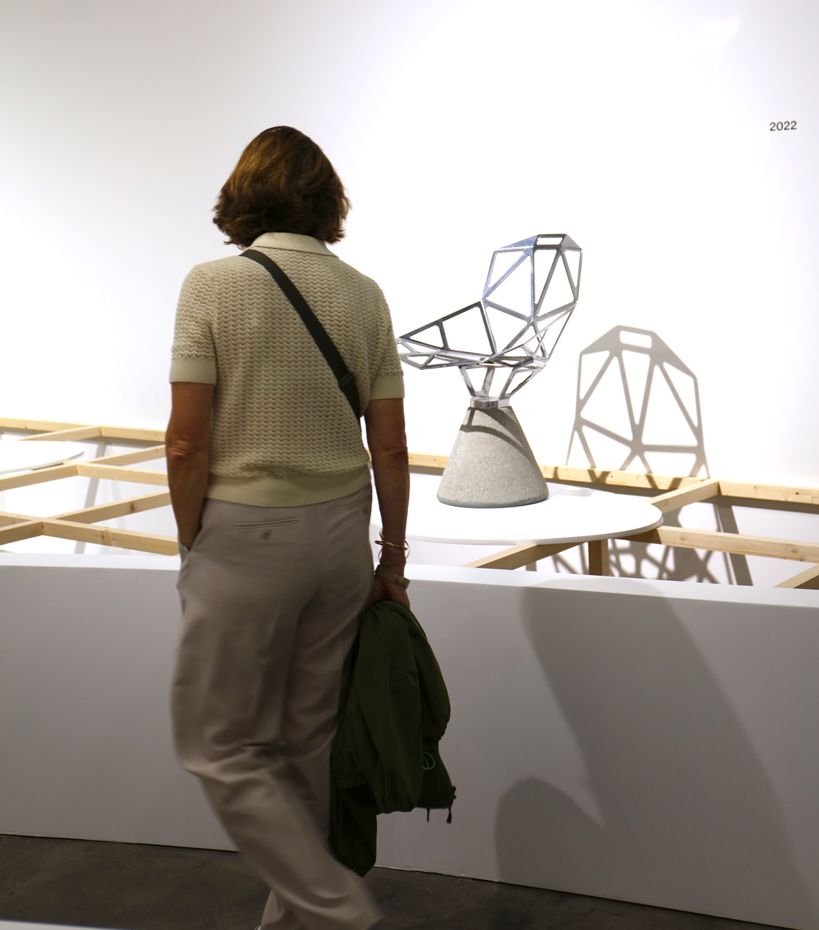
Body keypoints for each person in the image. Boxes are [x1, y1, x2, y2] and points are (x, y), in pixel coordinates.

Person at [166, 126, 410, 930]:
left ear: (242, 198)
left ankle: (336, 906)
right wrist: (393, 559)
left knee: (219, 744)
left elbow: (186, 439)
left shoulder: (210, 286)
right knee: (308, 738)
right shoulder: (364, 294)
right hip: (342, 532)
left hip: (244, 531)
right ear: (326, 202)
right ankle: (297, 917)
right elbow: (392, 445)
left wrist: (191, 540)